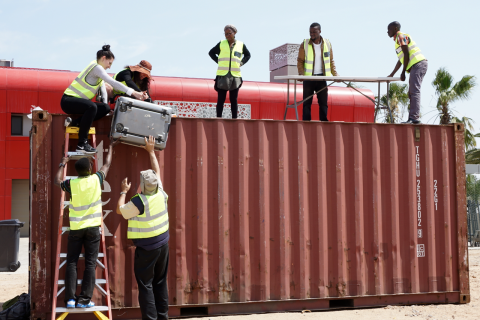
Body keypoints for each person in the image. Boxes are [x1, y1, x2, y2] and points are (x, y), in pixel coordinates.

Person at [53, 138, 118, 308]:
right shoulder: (96, 179)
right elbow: (108, 164)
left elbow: (57, 181)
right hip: (92, 228)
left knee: (72, 262)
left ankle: (70, 299)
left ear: (76, 171)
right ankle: (84, 300)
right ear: (89, 169)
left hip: (76, 228)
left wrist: (62, 163)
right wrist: (110, 146)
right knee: (90, 263)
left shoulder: (71, 184)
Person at [116, 136, 169, 320]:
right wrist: (151, 151)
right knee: (160, 283)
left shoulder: (139, 201)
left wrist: (123, 191)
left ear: (142, 185)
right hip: (163, 245)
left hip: (147, 249)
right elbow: (157, 170)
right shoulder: (160, 191)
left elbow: (120, 210)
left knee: (145, 285)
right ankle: (163, 317)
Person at [61, 45, 147, 154]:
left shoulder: (98, 72)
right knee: (91, 106)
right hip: (68, 101)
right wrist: (134, 93)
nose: (110, 67)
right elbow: (113, 83)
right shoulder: (96, 67)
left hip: (79, 103)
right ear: (103, 58)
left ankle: (75, 123)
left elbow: (104, 91)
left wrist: (105, 107)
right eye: (109, 63)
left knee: (105, 108)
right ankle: (81, 144)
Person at [387, 21, 428, 124]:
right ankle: (412, 118)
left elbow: (406, 54)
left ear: (396, 29)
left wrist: (403, 72)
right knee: (411, 92)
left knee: (414, 91)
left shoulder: (400, 36)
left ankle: (414, 118)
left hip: (418, 64)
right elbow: (401, 59)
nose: (387, 32)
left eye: (389, 29)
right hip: (416, 65)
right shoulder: (398, 40)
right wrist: (392, 74)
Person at [297, 22, 338, 121]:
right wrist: (302, 75)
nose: (312, 34)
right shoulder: (305, 44)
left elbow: (331, 61)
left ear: (320, 31)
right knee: (307, 103)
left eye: (314, 32)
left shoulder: (327, 43)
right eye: (310, 32)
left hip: (322, 78)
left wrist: (335, 75)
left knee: (323, 103)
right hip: (309, 78)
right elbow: (300, 61)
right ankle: (306, 123)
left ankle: (324, 123)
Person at [209, 25, 251, 119]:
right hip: (223, 75)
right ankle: (218, 118)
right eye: (225, 34)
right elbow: (211, 52)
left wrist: (242, 62)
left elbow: (248, 55)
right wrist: (218, 61)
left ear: (234, 33)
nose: (227, 35)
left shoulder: (241, 44)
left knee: (233, 99)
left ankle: (234, 119)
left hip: (235, 76)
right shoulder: (221, 43)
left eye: (229, 33)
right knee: (221, 99)